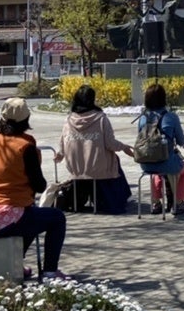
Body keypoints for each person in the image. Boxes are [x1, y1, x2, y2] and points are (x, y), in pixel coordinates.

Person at [0, 98, 68, 279]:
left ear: (2, 119)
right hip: (6, 216)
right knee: (56, 218)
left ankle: (15, 263)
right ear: (26, 120)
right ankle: (50, 271)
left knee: (30, 215)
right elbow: (39, 185)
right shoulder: (25, 146)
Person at [54, 84, 133, 214]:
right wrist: (124, 147)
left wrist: (60, 155)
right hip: (98, 168)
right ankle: (120, 197)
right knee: (114, 160)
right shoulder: (101, 118)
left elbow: (62, 143)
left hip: (76, 168)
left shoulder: (68, 120)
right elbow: (110, 144)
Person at [136, 83, 184, 216]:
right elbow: (181, 140)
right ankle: (178, 203)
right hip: (166, 162)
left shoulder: (142, 118)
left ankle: (156, 202)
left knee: (156, 171)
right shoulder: (170, 117)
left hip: (145, 163)